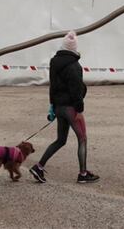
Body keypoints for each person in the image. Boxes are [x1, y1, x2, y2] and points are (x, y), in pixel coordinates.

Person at [29, 30, 99, 184]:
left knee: (60, 140)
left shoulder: (54, 63)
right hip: (71, 108)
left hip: (59, 107)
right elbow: (76, 90)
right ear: (74, 48)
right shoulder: (75, 66)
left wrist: (52, 105)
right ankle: (83, 174)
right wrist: (79, 110)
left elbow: (52, 86)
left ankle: (39, 167)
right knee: (82, 139)